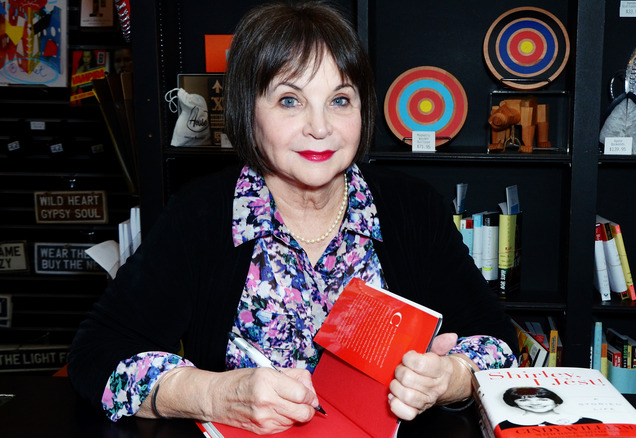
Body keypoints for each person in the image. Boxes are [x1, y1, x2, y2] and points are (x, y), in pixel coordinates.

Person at [68, 2, 518, 435]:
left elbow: (497, 341)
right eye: (289, 100)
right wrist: (211, 393)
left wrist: (450, 377)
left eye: (340, 100)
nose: (320, 127)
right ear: (249, 111)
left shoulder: (412, 208)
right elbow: (97, 355)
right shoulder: (200, 213)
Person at [498, 387, 602, 428]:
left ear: (555, 401)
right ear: (515, 404)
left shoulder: (590, 422)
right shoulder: (505, 425)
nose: (534, 403)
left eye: (542, 399)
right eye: (523, 400)